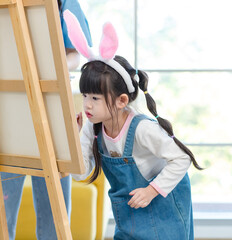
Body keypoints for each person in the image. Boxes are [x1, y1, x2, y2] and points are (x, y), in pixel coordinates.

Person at [64, 10, 202, 240]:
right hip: (130, 216)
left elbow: (181, 158)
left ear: (122, 101)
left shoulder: (141, 128)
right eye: (85, 95)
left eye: (95, 98)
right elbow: (81, 175)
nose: (86, 104)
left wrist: (151, 190)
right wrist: (75, 137)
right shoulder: (92, 127)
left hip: (163, 207)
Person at [0, 1, 92, 240]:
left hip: (50, 109)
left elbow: (78, 53)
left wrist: (49, 69)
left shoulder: (65, 2)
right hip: (3, 112)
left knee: (55, 218)